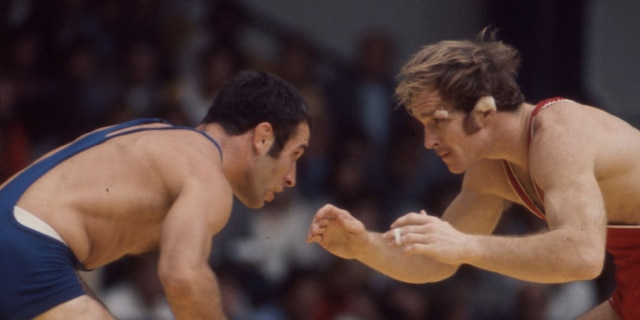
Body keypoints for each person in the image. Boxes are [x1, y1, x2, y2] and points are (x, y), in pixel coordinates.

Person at [306, 28, 640, 320]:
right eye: (423, 127)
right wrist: (362, 245)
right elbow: (436, 262)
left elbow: (582, 256)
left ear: (484, 112)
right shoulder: (489, 172)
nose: (428, 142)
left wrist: (465, 245)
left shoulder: (560, 133)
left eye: (437, 122)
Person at [0, 70, 312, 320]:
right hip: (26, 248)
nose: (291, 178)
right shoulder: (206, 176)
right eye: (294, 155)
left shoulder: (155, 133)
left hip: (20, 238)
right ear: (263, 137)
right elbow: (182, 279)